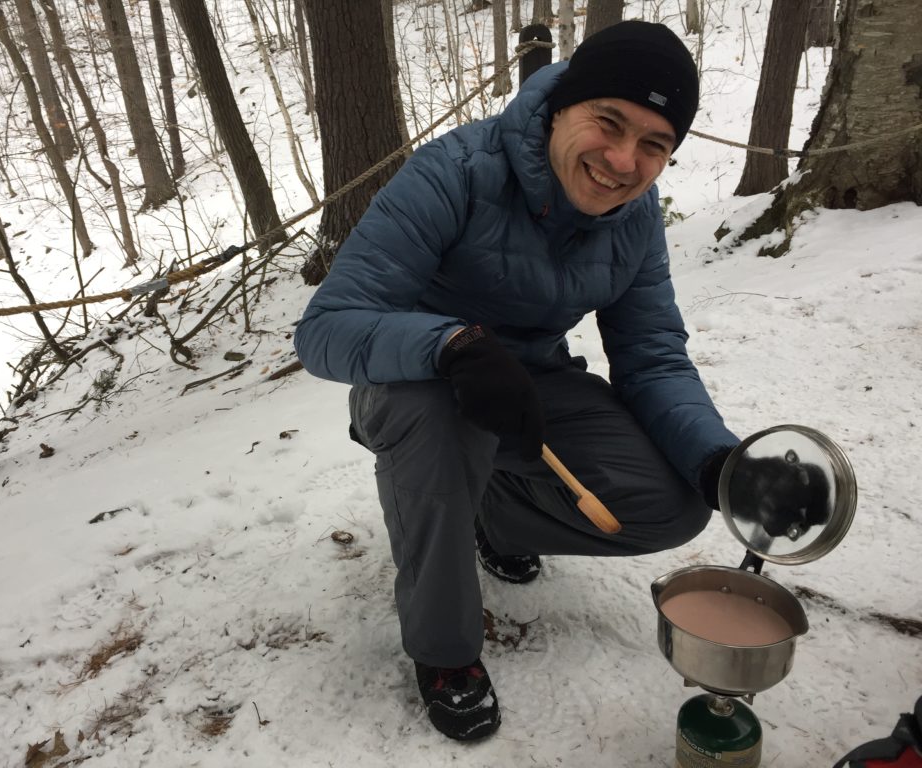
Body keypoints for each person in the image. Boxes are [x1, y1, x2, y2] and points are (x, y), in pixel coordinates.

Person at [294, 20, 823, 741]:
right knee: (442, 431)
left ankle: (489, 515)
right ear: (563, 106)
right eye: (609, 123)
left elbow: (651, 355)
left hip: (533, 384)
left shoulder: (633, 222)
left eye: (654, 145)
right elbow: (325, 329)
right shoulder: (455, 172)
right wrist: (449, 344)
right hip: (415, 382)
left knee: (672, 505)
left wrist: (719, 463)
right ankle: (445, 653)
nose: (622, 160)